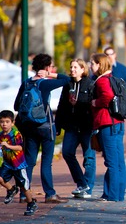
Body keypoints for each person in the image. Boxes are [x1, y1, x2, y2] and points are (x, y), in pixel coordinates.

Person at [14, 53, 70, 204]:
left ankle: (24, 194)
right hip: (45, 127)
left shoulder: (26, 83)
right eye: (50, 66)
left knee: (29, 161)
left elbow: (16, 106)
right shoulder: (45, 83)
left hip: (29, 128)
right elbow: (67, 79)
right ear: (46, 67)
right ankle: (50, 194)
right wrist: (51, 74)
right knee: (46, 161)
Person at [55, 58, 96, 199]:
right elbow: (61, 106)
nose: (72, 70)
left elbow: (92, 106)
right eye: (71, 67)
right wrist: (58, 125)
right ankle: (82, 183)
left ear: (82, 69)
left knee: (89, 158)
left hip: (86, 127)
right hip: (71, 127)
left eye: (75, 67)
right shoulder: (68, 85)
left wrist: (77, 103)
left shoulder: (90, 84)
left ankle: (87, 189)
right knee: (67, 152)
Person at [90, 53, 126, 202]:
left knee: (111, 162)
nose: (90, 66)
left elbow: (108, 96)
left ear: (99, 65)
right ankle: (117, 194)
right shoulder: (112, 78)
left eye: (92, 63)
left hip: (107, 123)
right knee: (118, 161)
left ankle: (112, 195)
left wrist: (95, 103)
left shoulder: (102, 81)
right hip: (117, 123)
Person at [0, 110, 38, 216]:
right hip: (7, 163)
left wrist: (8, 146)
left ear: (12, 123)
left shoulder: (15, 134)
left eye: (7, 121)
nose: (4, 124)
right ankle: (11, 189)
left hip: (18, 164)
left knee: (24, 186)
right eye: (2, 122)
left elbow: (20, 147)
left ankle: (31, 203)